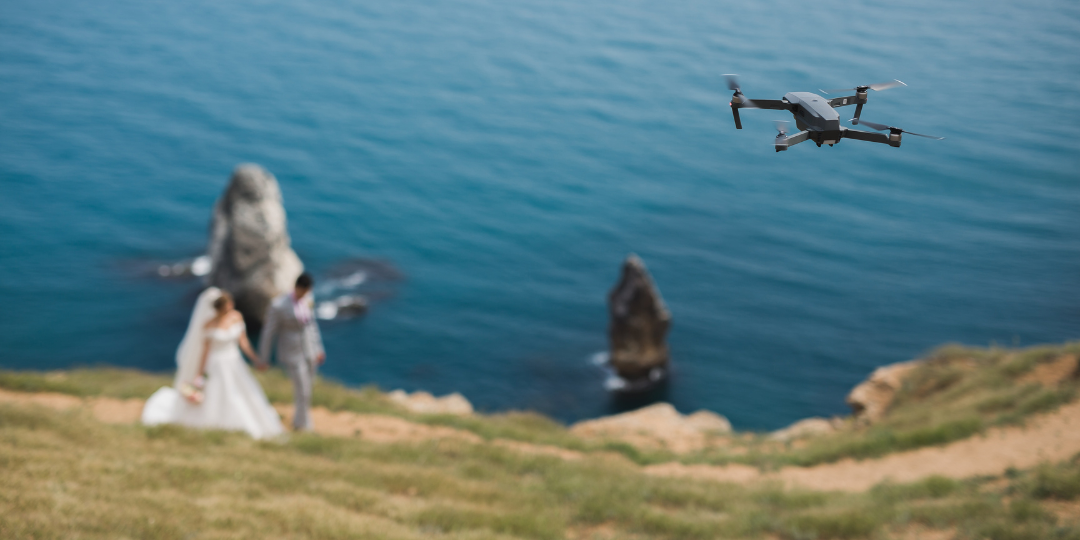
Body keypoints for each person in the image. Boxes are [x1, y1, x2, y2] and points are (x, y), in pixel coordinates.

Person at [141, 288, 285, 439]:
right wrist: (199, 374)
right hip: (215, 364)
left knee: (241, 393)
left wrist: (256, 359)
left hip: (234, 363)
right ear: (219, 308)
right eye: (227, 306)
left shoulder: (237, 317)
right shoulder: (208, 325)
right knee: (217, 394)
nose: (230, 308)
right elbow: (205, 352)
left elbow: (244, 343)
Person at [259, 273, 325, 431]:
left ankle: (299, 420)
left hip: (309, 350)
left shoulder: (308, 300)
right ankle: (304, 426)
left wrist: (319, 348)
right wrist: (264, 358)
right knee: (302, 390)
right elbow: (269, 333)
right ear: (297, 287)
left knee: (308, 387)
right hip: (292, 352)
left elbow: (312, 326)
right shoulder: (279, 305)